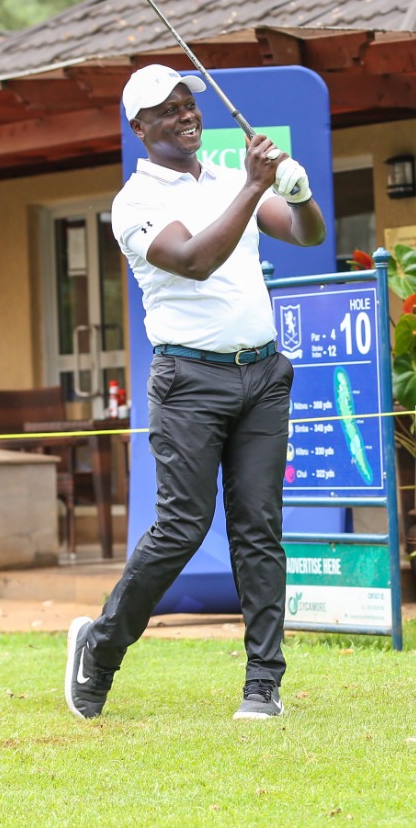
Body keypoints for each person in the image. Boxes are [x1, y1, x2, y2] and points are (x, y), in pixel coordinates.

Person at [65, 63, 325, 722]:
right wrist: (255, 185)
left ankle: (264, 683)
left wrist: (296, 192)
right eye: (168, 109)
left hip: (263, 375)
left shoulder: (227, 180)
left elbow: (308, 233)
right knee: (182, 528)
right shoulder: (136, 203)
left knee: (259, 530)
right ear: (140, 127)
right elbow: (194, 259)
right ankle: (101, 645)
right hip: (190, 382)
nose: (185, 114)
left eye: (188, 103)